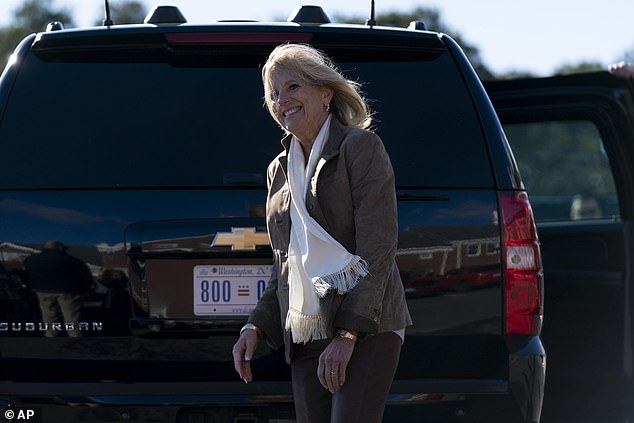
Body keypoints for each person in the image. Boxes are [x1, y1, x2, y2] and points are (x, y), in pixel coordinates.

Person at [232, 43, 412, 423]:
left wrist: (347, 335)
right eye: (275, 94)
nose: (283, 100)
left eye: (293, 87)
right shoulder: (278, 171)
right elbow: (286, 265)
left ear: (325, 92)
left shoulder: (359, 147)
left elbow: (378, 249)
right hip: (306, 331)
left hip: (367, 326)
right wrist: (256, 326)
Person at [23, 240, 93, 337]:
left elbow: (26, 274)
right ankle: (74, 337)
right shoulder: (71, 260)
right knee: (71, 316)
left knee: (48, 314)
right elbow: (86, 277)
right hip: (67, 291)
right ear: (59, 248)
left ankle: (51, 336)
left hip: (42, 290)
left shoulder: (31, 260)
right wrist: (83, 289)